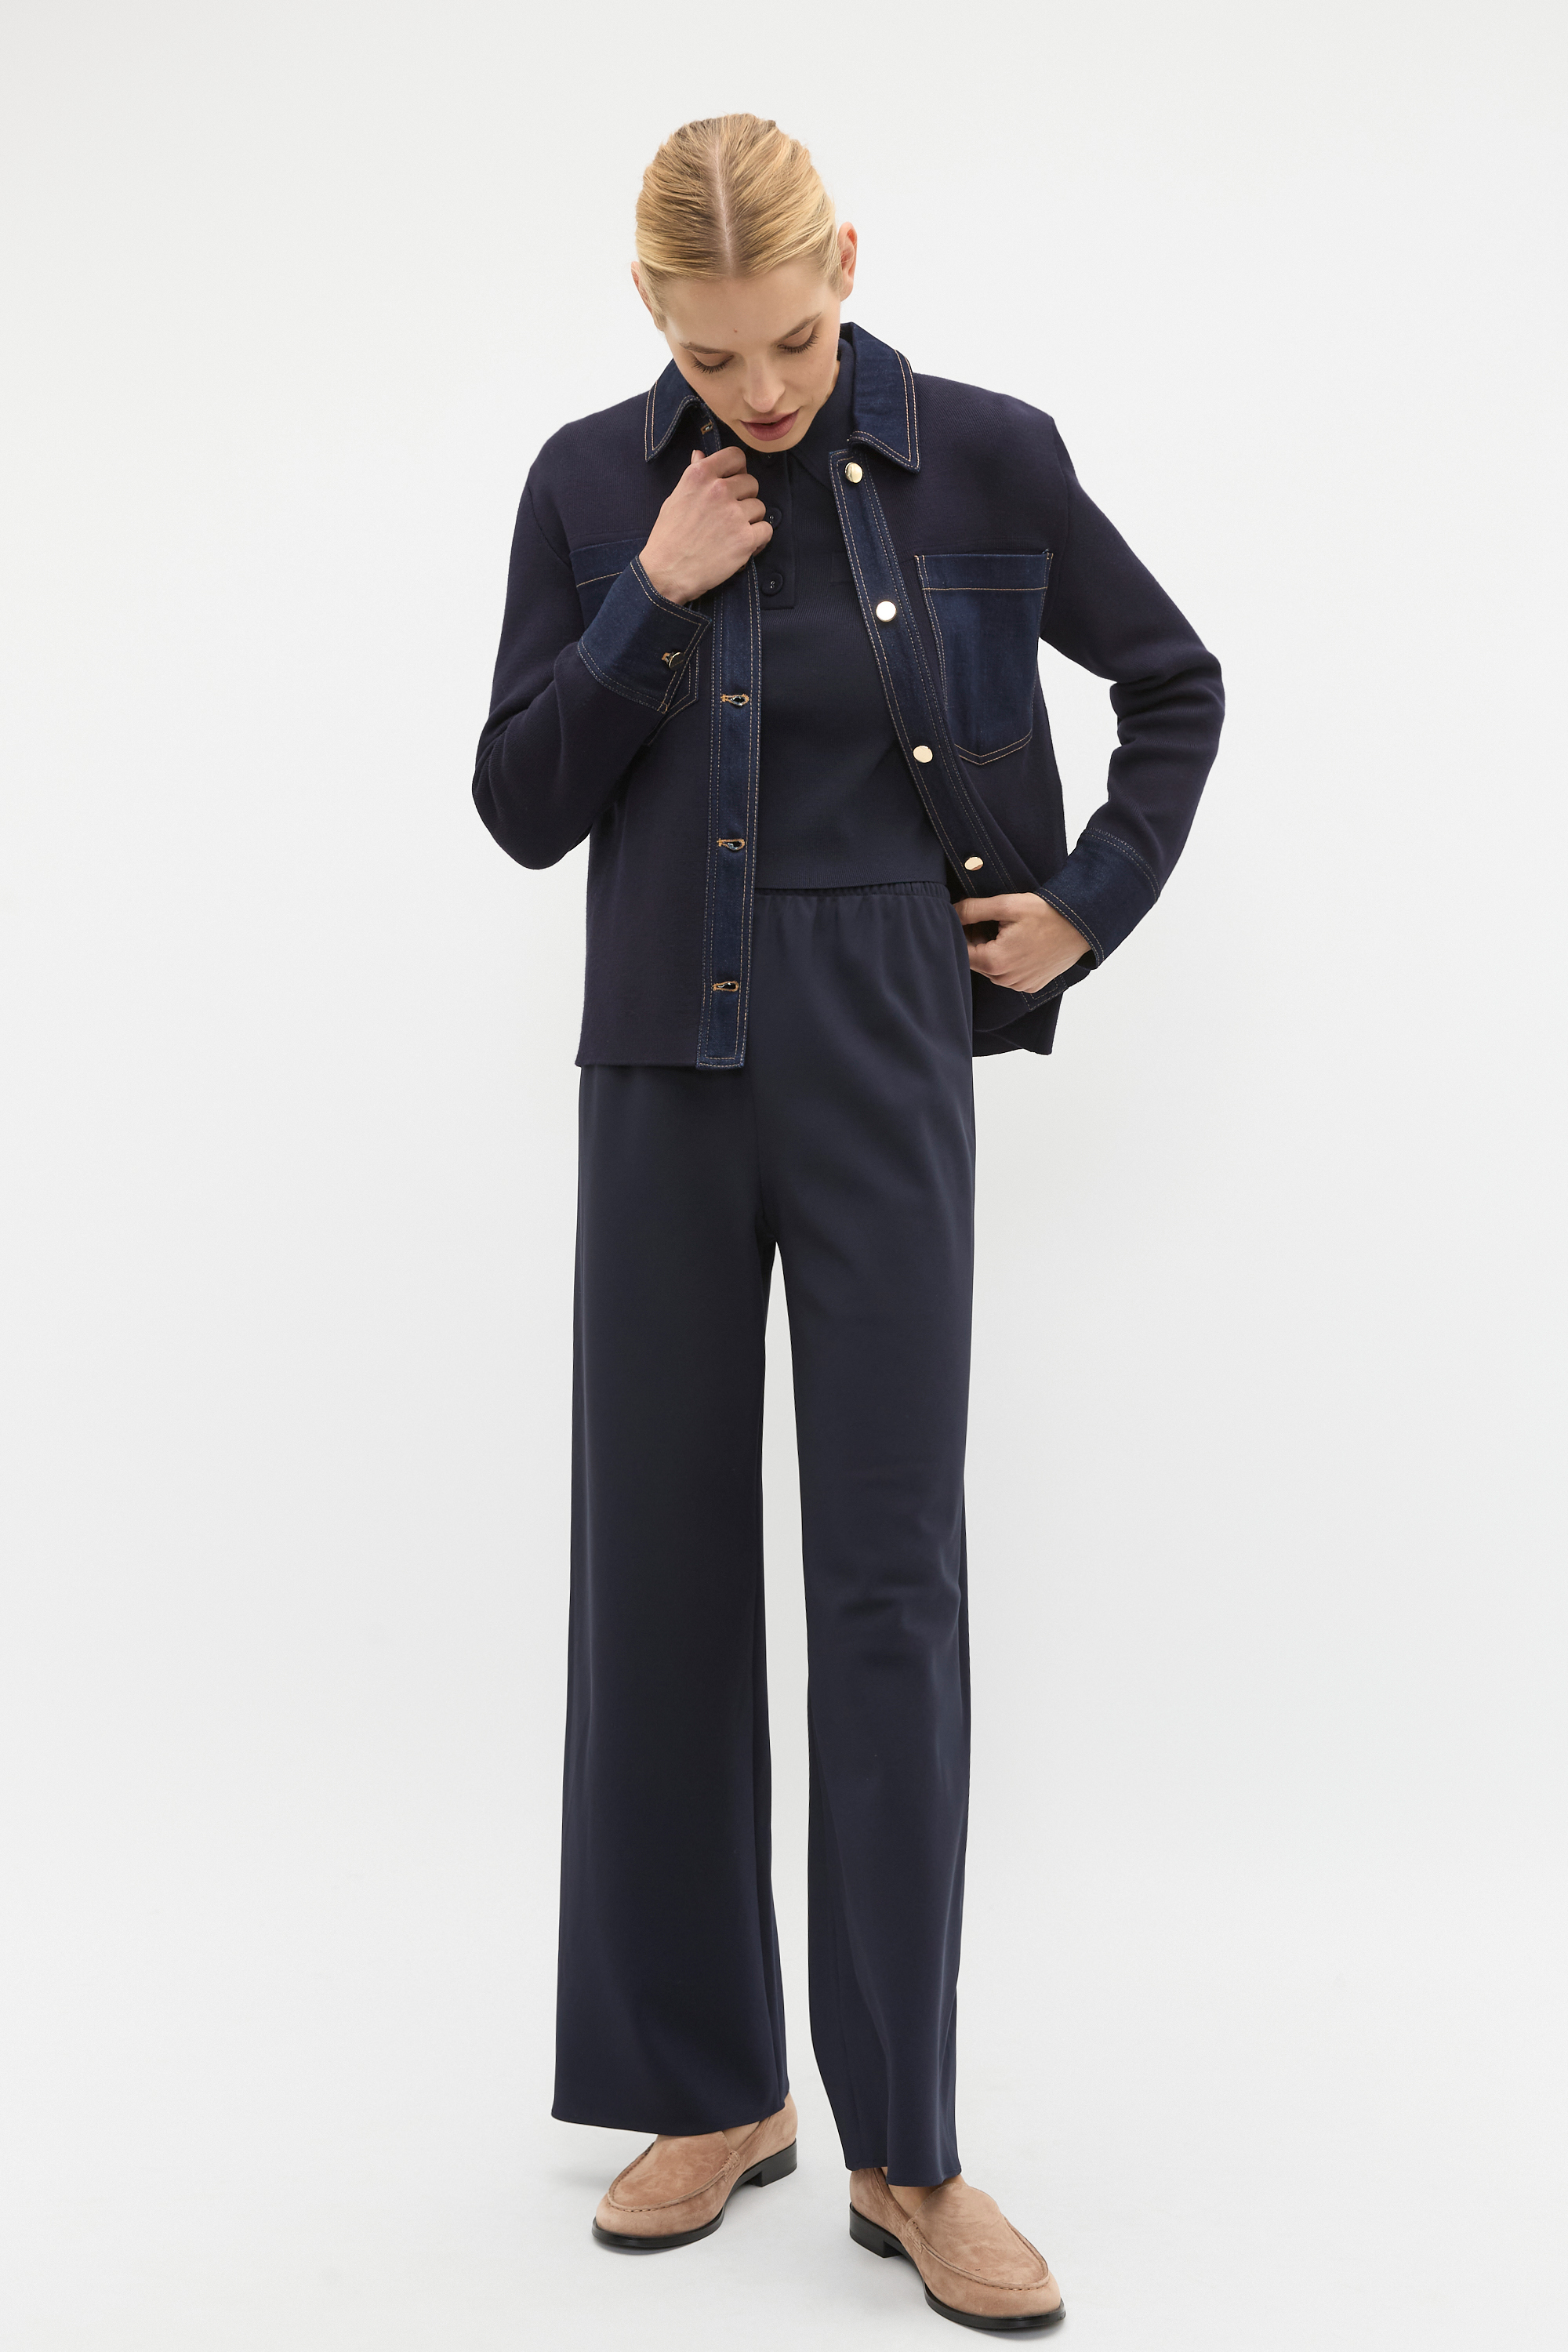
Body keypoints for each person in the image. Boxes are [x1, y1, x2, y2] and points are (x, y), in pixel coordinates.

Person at [472, 111, 1223, 2334]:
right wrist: (651, 593)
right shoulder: (588, 485)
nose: (768, 389)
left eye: (793, 340)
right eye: (718, 356)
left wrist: (1082, 908)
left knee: (891, 1579)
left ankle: (906, 2143)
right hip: (661, 1059)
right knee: (660, 1566)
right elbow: (519, 804)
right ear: (651, 316)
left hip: (886, 1029)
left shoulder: (986, 454)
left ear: (849, 269)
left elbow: (1173, 684)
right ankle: (711, 2090)